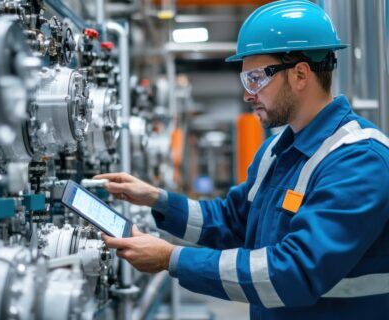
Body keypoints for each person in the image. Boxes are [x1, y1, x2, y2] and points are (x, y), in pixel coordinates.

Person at [95, 1, 389, 319]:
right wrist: (157, 199)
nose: (248, 95)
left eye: (256, 78)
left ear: (301, 75)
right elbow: (233, 220)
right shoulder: (277, 150)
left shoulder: (359, 161)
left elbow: (294, 271)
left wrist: (172, 259)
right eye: (245, 81)